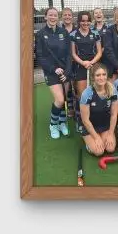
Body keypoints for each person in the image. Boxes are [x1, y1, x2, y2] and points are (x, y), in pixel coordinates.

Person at [35, 7, 72, 139]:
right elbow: (40, 56)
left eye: (55, 15)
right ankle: (53, 124)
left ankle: (62, 123)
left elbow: (69, 54)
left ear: (58, 17)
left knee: (64, 99)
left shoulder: (64, 32)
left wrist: (67, 71)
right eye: (50, 15)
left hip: (65, 72)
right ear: (45, 17)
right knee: (59, 99)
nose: (52, 17)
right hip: (51, 72)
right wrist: (53, 69)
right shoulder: (40, 34)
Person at [78, 65, 118, 157]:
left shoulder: (113, 91)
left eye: (104, 74)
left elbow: (113, 115)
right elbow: (85, 120)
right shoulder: (87, 94)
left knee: (110, 149)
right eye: (98, 75)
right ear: (93, 77)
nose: (101, 77)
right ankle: (87, 140)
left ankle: (103, 136)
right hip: (89, 125)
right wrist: (96, 137)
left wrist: (110, 133)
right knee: (99, 152)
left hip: (104, 124)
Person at [68, 13, 102, 106]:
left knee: (96, 92)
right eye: (83, 21)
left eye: (87, 21)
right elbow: (73, 53)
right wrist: (83, 63)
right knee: (82, 94)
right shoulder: (73, 34)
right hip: (80, 66)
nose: (85, 23)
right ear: (79, 21)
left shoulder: (95, 33)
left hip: (94, 65)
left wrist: (91, 62)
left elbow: (99, 52)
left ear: (90, 21)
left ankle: (95, 113)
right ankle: (81, 116)